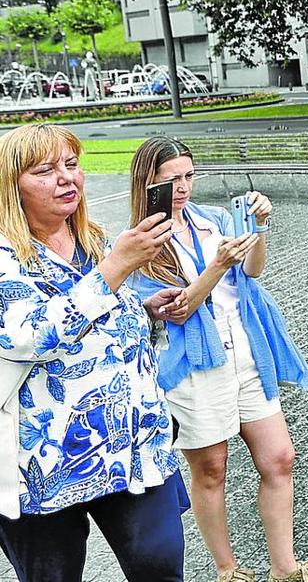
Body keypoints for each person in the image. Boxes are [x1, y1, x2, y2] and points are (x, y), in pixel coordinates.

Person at [126, 138, 308, 582]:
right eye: (171, 180)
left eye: (188, 176)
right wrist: (218, 265)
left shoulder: (213, 219)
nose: (183, 188)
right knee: (211, 469)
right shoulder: (140, 242)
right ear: (148, 183)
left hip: (244, 348)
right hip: (192, 364)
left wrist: (259, 226)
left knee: (280, 458)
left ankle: (286, 568)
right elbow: (177, 311)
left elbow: (254, 272)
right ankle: (228, 569)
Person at [0, 124, 186, 581]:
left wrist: (143, 311)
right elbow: (27, 336)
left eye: (72, 164)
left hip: (132, 442)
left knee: (161, 565)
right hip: (43, 463)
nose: (67, 178)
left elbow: (99, 320)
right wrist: (116, 268)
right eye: (44, 170)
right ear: (11, 186)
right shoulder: (6, 255)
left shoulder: (94, 240)